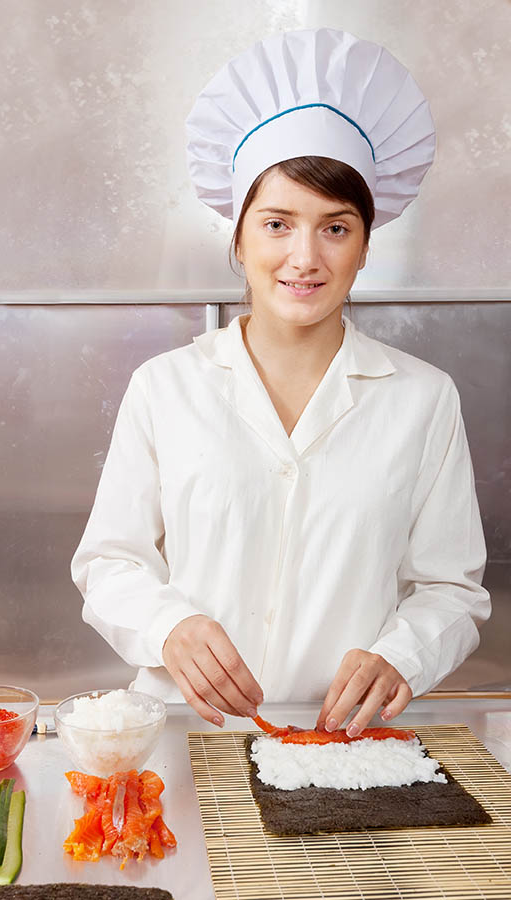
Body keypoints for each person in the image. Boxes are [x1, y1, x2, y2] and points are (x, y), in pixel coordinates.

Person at [71, 28, 490, 738]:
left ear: (364, 245)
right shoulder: (165, 387)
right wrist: (168, 626)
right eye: (276, 224)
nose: (304, 257)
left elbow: (452, 588)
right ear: (239, 238)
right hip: (187, 733)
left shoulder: (422, 399)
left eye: (335, 228)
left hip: (344, 743)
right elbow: (110, 562)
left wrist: (402, 656)